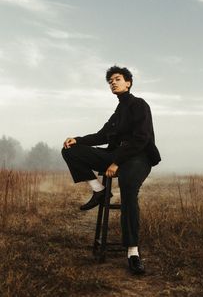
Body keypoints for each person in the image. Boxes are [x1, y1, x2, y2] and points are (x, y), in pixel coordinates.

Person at [61, 65, 161, 275]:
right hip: (115, 156)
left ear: (128, 82)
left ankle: (133, 253)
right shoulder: (118, 112)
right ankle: (99, 190)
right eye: (110, 81)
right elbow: (101, 135)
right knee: (70, 150)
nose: (113, 83)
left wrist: (116, 163)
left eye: (117, 79)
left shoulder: (139, 105)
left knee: (128, 188)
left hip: (138, 157)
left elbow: (141, 139)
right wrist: (77, 139)